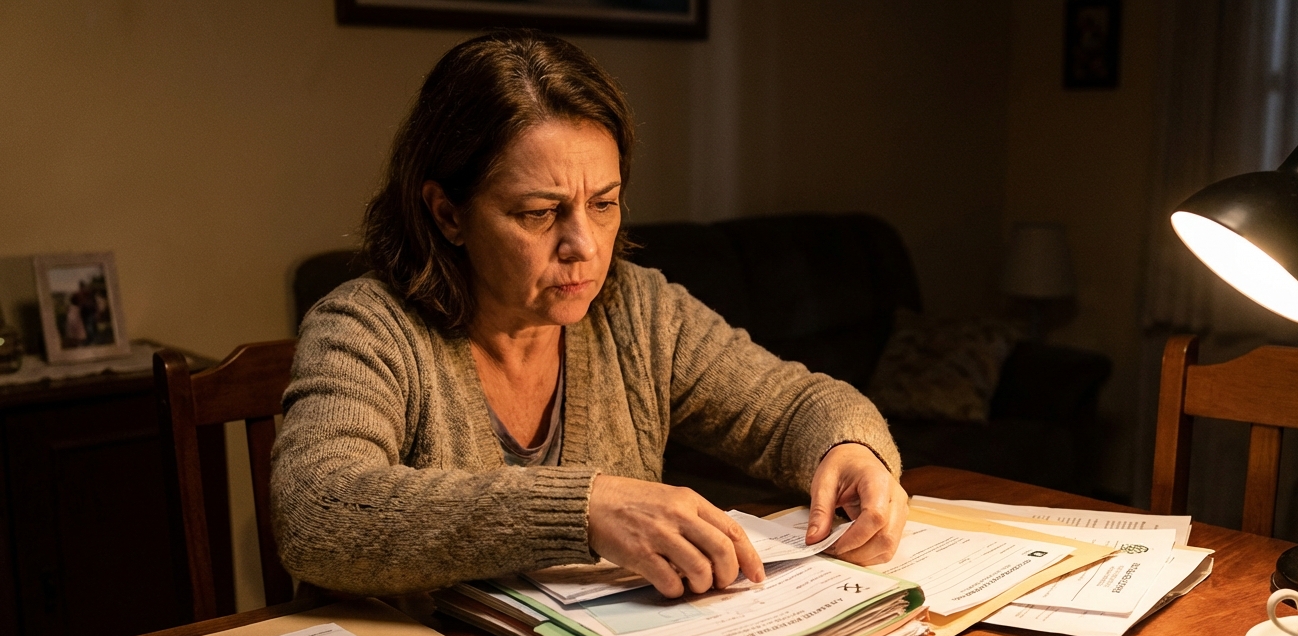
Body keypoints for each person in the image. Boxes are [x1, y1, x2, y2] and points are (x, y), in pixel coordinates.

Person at [271, 30, 907, 600]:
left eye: (603, 204)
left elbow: (795, 406)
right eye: (539, 213)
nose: (584, 246)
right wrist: (584, 508)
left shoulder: (638, 310)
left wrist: (853, 450)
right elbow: (317, 511)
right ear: (446, 213)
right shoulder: (366, 327)